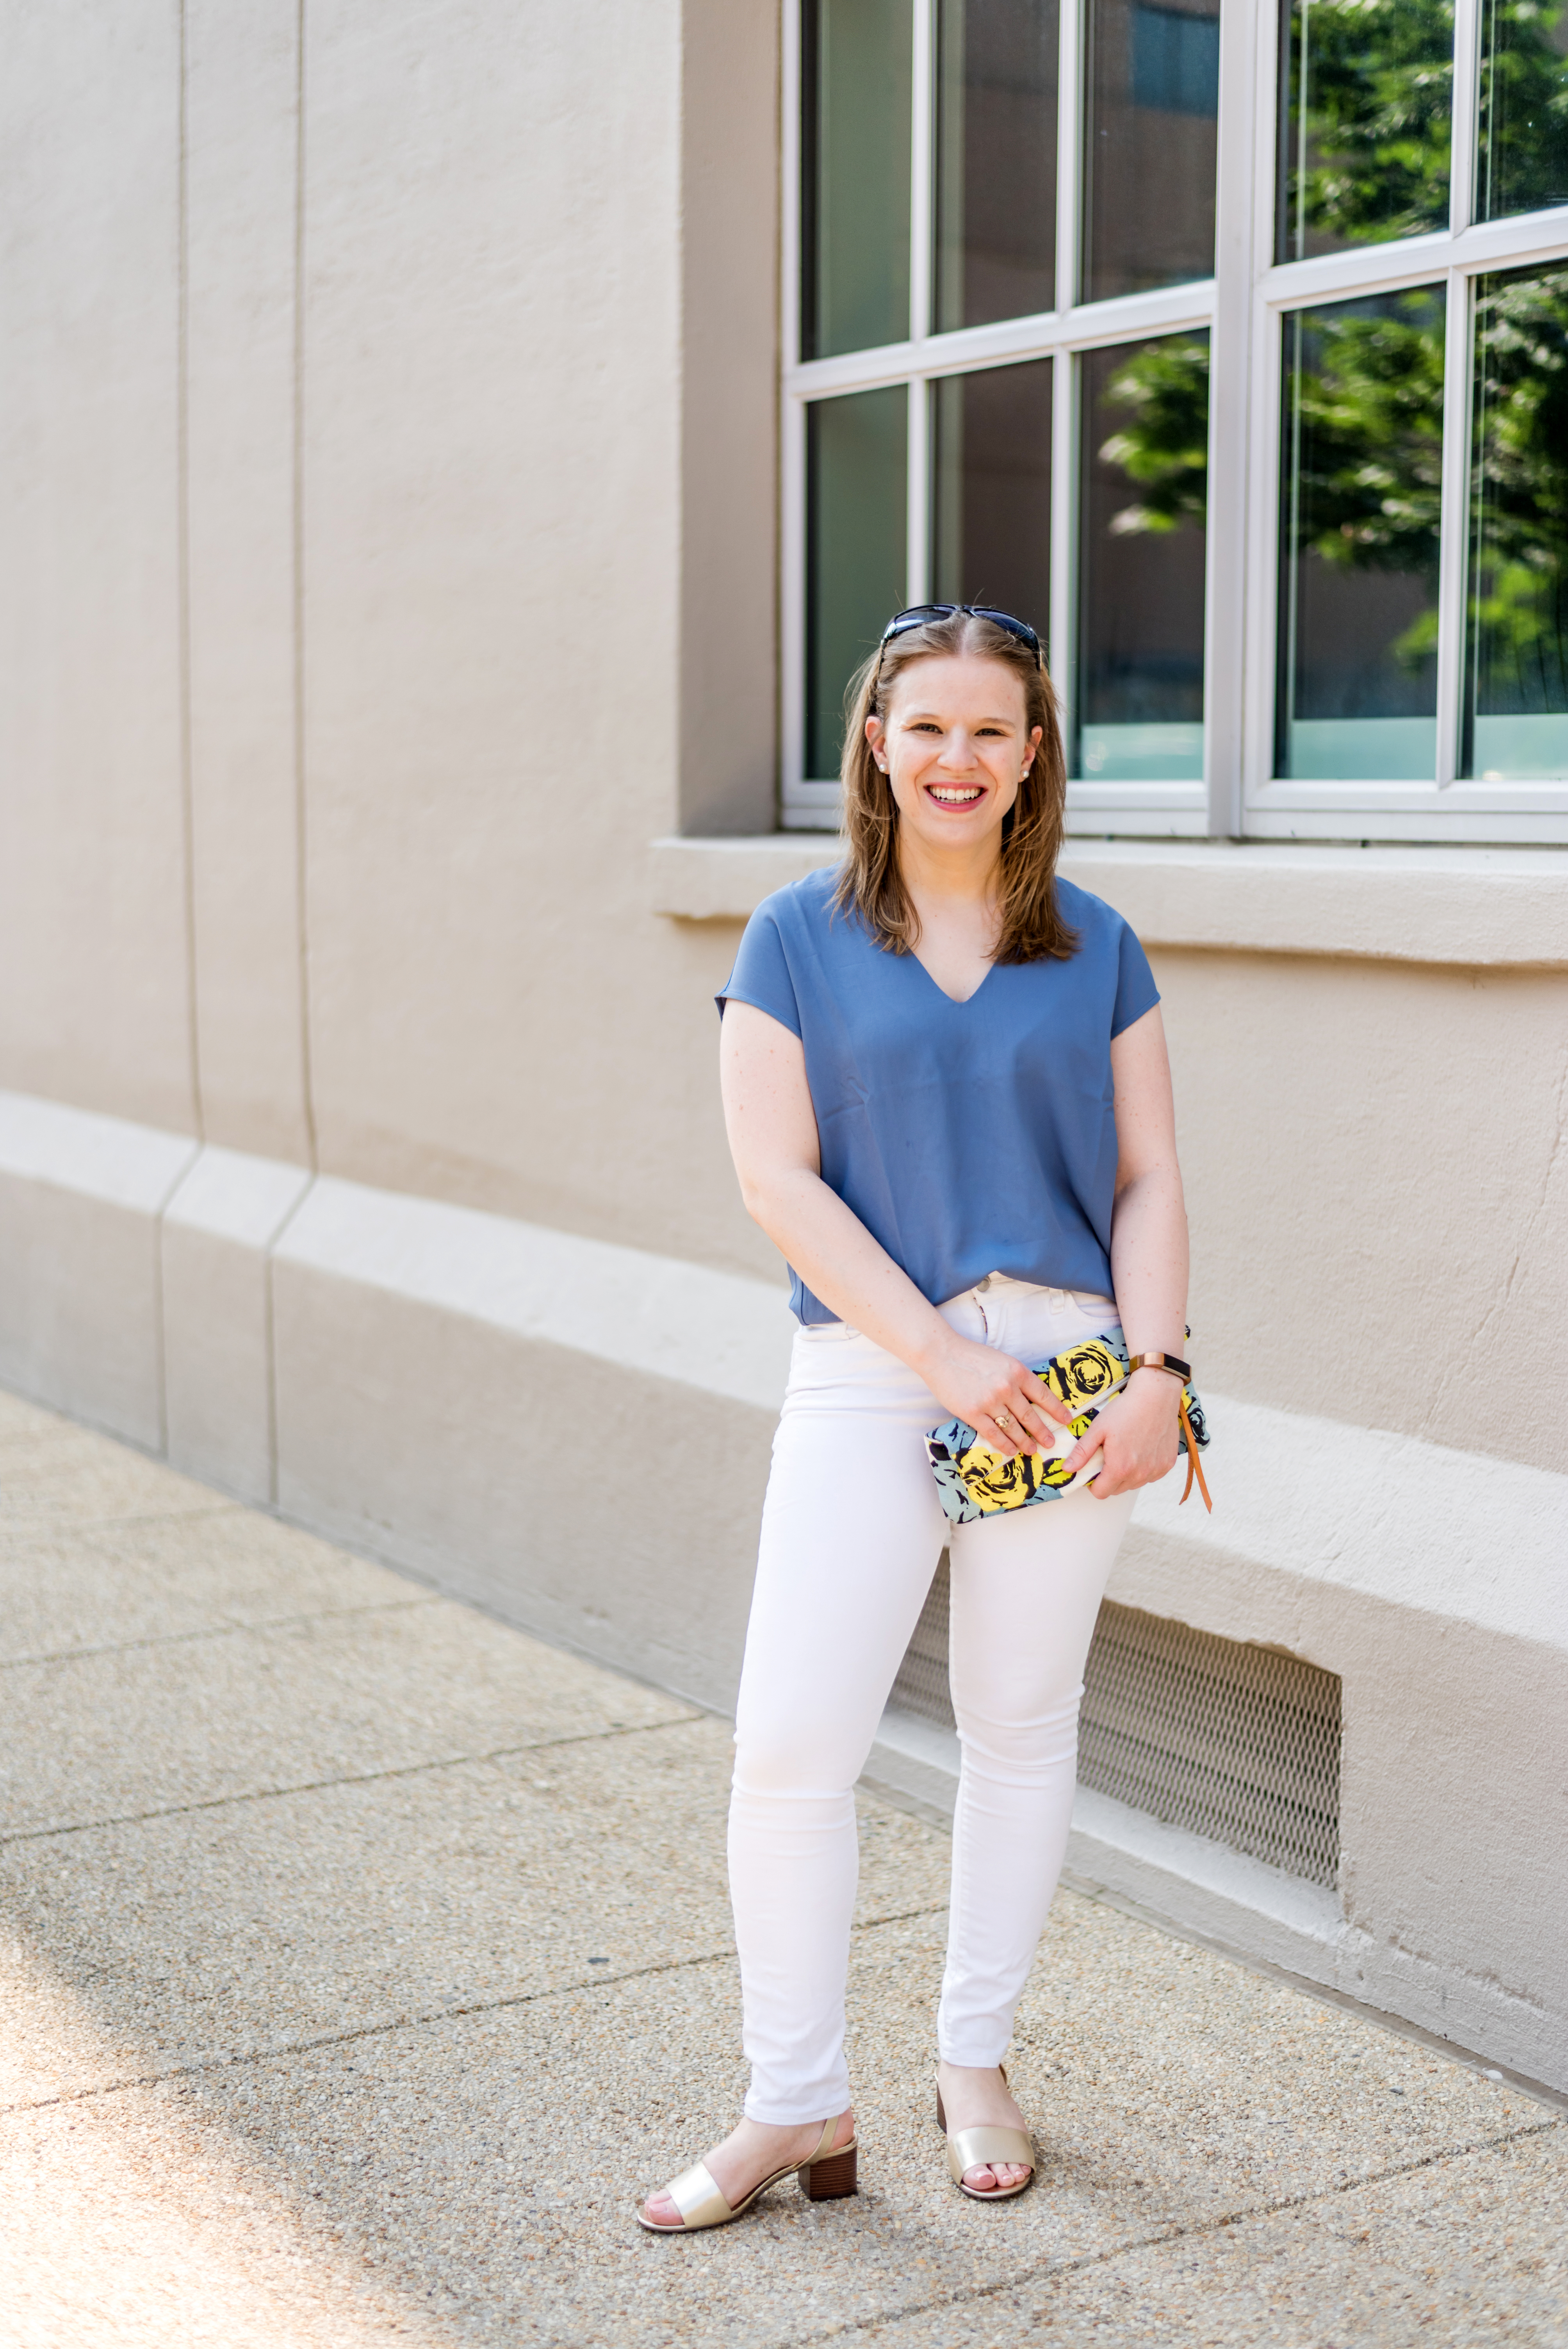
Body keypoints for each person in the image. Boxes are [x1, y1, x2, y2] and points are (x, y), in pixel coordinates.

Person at [637, 604, 1190, 2233]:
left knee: (1019, 1728)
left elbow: (1150, 1174)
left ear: (1034, 757)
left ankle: (974, 2057)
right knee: (792, 1745)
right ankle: (793, 2099)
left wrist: (1156, 1372)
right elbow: (773, 1179)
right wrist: (941, 1363)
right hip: (878, 1367)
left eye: (990, 731)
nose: (957, 758)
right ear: (874, 742)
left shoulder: (1096, 943)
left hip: (1073, 1372)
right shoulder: (791, 939)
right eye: (925, 726)